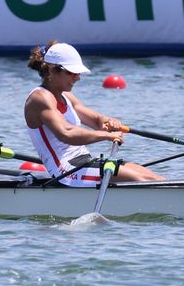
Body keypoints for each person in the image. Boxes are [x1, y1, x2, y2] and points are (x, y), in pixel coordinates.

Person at [23, 42, 163, 185]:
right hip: (66, 173)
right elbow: (66, 133)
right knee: (141, 180)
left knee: (156, 179)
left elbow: (96, 121)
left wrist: (109, 122)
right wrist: (107, 136)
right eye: (72, 73)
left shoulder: (66, 96)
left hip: (84, 162)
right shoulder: (40, 99)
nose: (78, 78)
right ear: (52, 71)